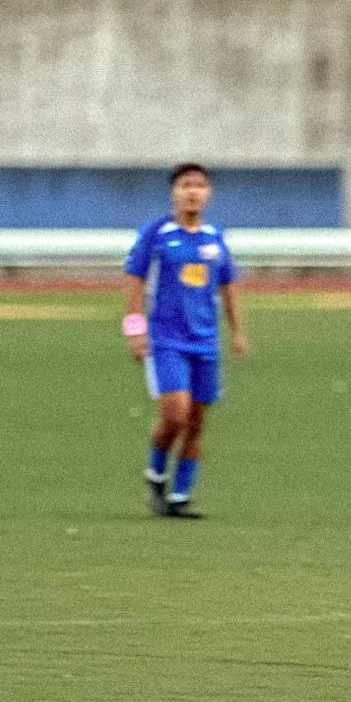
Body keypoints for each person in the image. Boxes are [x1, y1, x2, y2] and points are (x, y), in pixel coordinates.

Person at [123, 164, 248, 518]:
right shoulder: (158, 234)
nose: (192, 192)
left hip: (205, 342)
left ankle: (179, 497)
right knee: (175, 413)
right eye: (185, 185)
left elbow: (228, 287)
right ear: (173, 192)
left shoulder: (214, 238)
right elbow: (134, 280)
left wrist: (237, 331)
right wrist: (134, 329)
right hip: (166, 340)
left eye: (199, 185)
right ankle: (157, 470)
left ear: (208, 193)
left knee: (196, 421)